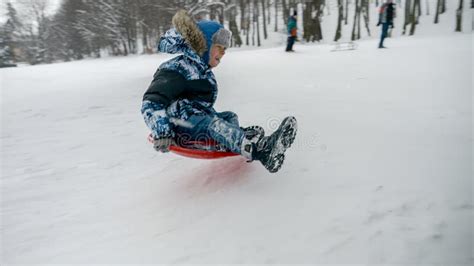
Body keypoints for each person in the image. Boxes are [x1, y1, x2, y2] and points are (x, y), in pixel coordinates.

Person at [141, 10, 297, 173]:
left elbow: (199, 107)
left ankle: (238, 138)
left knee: (229, 117)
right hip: (177, 127)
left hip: (194, 122)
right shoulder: (177, 69)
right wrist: (161, 130)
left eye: (225, 48)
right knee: (215, 125)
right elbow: (152, 101)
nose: (224, 52)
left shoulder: (201, 71)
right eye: (219, 47)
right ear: (203, 46)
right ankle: (261, 150)